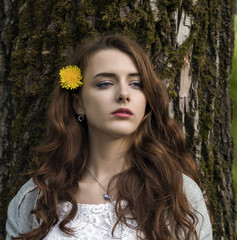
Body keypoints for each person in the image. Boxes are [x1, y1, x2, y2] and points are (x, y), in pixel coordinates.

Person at [6, 34, 212, 240]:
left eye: (136, 84)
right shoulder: (36, 198)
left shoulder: (177, 193)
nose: (123, 94)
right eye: (105, 83)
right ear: (78, 103)